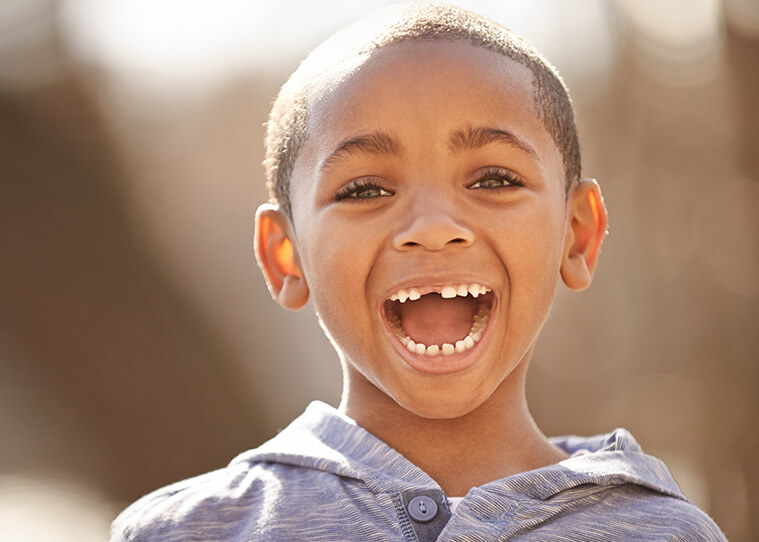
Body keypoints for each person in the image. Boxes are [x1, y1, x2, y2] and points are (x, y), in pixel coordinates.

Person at [111, 3, 727, 540]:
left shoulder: (663, 533)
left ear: (578, 234)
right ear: (285, 253)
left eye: (494, 179)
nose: (432, 226)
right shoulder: (187, 531)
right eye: (364, 189)